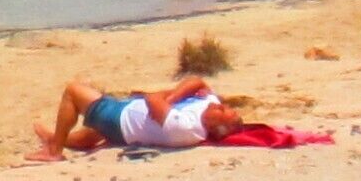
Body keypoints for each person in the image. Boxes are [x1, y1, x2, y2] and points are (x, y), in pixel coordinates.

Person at [34, 74, 242, 157]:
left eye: (222, 112)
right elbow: (197, 81)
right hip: (130, 113)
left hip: (121, 122)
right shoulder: (210, 105)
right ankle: (55, 138)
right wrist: (172, 99)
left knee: (73, 92)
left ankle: (54, 151)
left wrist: (164, 99)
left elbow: (152, 99)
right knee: (93, 134)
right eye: (224, 107)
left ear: (216, 127)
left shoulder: (186, 128)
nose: (219, 106)